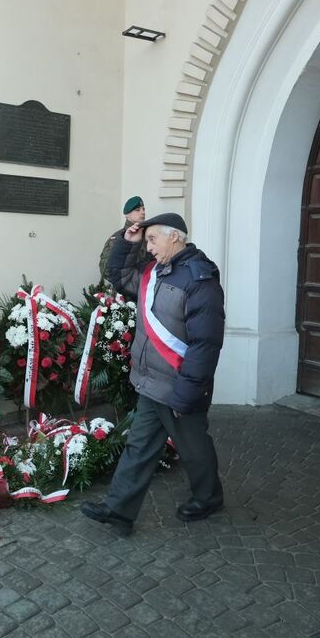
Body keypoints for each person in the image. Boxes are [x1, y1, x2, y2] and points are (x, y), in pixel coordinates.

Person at [82, 212, 225, 533]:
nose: (148, 248)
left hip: (179, 385)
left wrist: (186, 393)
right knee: (140, 446)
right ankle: (119, 510)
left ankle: (209, 497)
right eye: (146, 241)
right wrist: (126, 241)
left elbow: (206, 343)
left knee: (193, 447)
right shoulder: (154, 272)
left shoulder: (200, 280)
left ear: (174, 236)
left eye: (152, 240)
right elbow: (118, 276)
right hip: (152, 382)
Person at [99, 196, 150, 284]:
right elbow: (106, 270)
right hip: (127, 290)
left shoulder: (149, 235)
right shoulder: (119, 238)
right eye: (138, 210)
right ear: (127, 215)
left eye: (143, 209)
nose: (143, 212)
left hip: (147, 288)